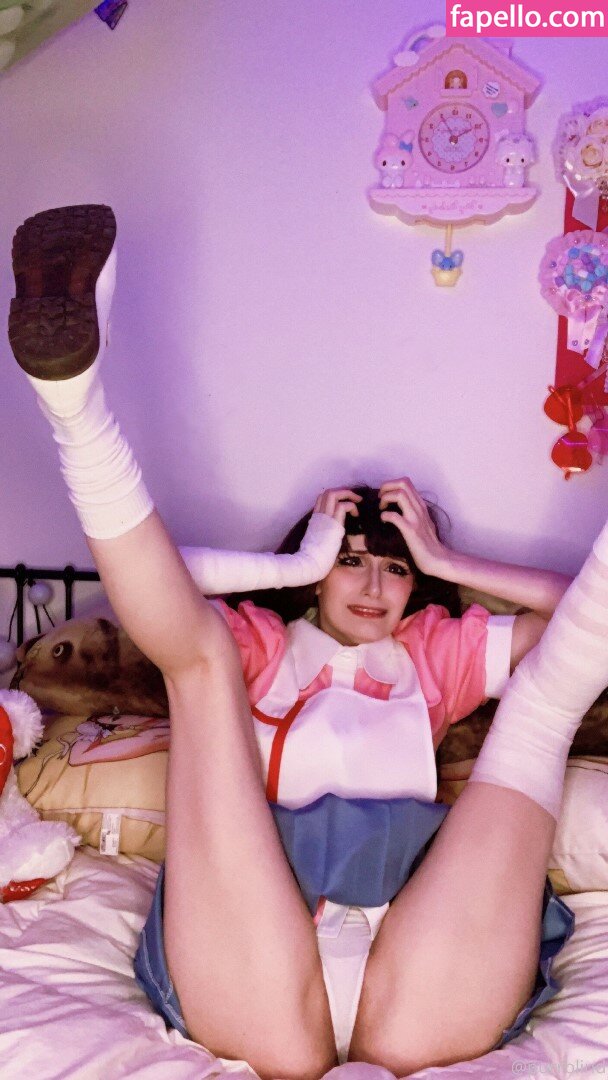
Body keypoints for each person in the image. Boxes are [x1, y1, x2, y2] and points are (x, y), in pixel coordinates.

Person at [8, 205, 607, 1080]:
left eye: (395, 569)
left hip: (426, 923)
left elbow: (572, 620)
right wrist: (290, 569)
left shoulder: (433, 649)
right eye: (350, 561)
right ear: (319, 572)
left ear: (416, 588)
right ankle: (74, 402)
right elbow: (152, 593)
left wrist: (448, 560)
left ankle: (74, 409)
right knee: (200, 661)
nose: (372, 584)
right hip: (259, 912)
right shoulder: (264, 637)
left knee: (548, 698)